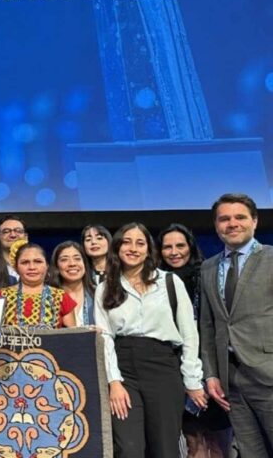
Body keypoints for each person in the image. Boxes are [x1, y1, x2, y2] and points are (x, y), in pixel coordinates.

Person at [95, 222, 207, 458]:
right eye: (126, 242)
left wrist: (192, 380)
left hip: (163, 368)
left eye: (140, 242)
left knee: (166, 449)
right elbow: (104, 337)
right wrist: (114, 382)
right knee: (129, 448)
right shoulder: (105, 288)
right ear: (116, 247)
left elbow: (189, 334)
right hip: (124, 369)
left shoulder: (169, 282)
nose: (133, 248)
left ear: (149, 249)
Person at [200, 193, 273, 456]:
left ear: (254, 221)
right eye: (224, 219)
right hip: (231, 381)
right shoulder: (208, 268)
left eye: (240, 217)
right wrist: (211, 374)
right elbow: (208, 326)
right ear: (217, 225)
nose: (232, 223)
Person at [158, 223, 232, 458]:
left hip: (213, 368)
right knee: (194, 443)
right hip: (175, 369)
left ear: (191, 246)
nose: (174, 252)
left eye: (180, 245)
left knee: (219, 443)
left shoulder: (208, 276)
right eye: (167, 247)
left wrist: (210, 372)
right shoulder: (155, 282)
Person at [0, 241, 76, 328]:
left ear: (47, 266)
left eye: (38, 261)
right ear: (16, 267)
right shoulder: (2, 295)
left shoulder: (61, 296)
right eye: (25, 262)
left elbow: (72, 335)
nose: (32, 267)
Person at [50, 241, 96, 326]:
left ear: (85, 264)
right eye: (64, 260)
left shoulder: (98, 294)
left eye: (77, 259)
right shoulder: (49, 297)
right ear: (56, 266)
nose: (72, 264)